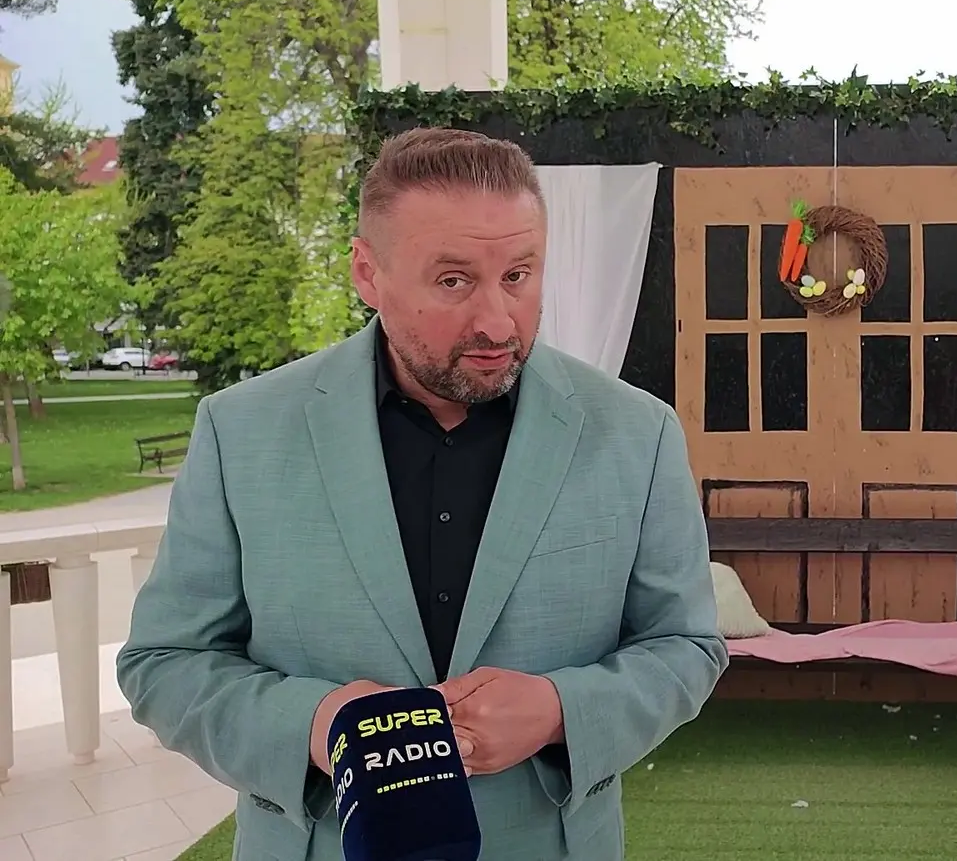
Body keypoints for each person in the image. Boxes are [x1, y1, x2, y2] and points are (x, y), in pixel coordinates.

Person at [117, 127, 729, 860]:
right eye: (453, 281)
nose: (498, 321)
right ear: (367, 273)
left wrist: (559, 710)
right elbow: (165, 662)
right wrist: (316, 725)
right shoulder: (240, 431)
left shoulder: (638, 432)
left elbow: (686, 645)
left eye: (519, 275)